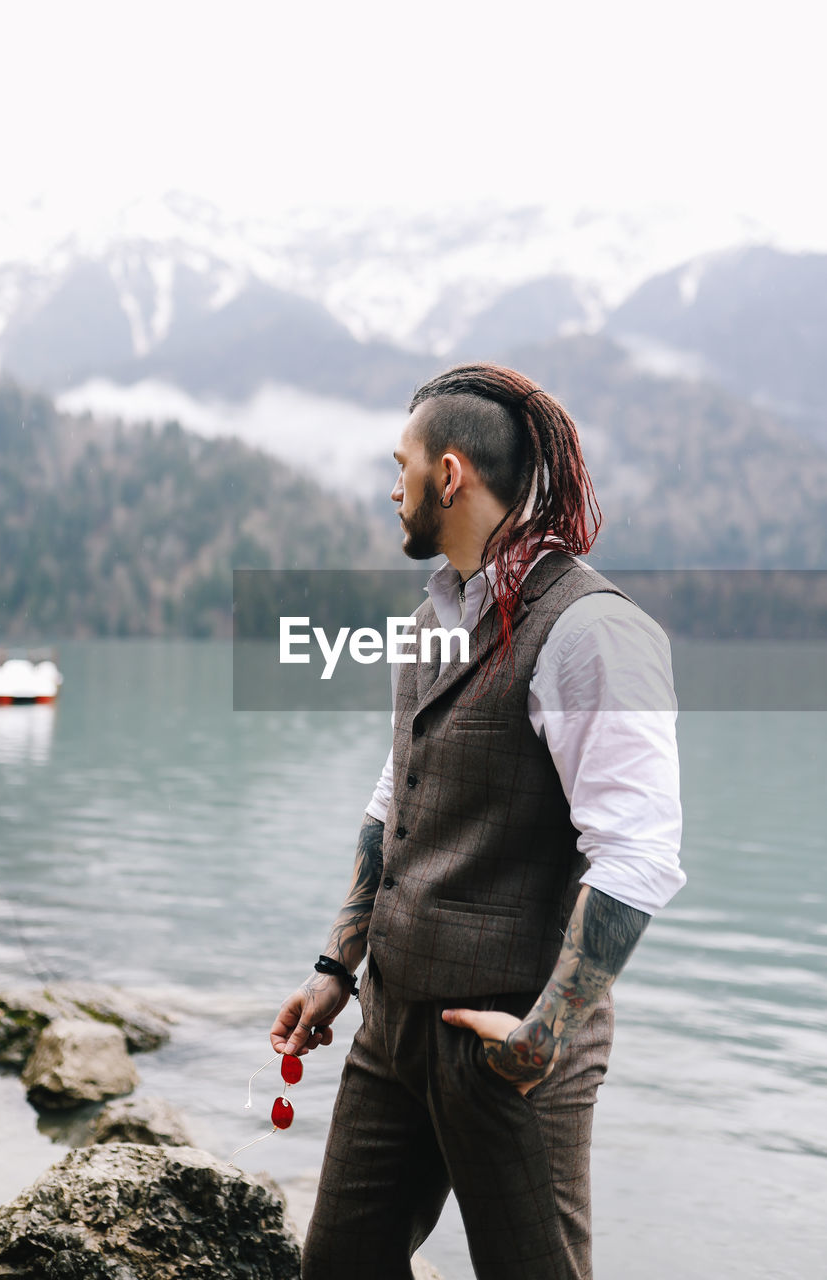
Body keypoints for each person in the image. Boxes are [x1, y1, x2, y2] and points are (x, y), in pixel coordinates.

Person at [270, 363, 684, 1279]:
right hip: (392, 1027)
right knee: (339, 1266)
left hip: (511, 1053)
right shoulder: (428, 621)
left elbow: (638, 856)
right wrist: (338, 966)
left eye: (402, 465)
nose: (393, 487)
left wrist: (542, 1036)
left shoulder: (591, 632)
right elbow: (398, 798)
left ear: (448, 476)